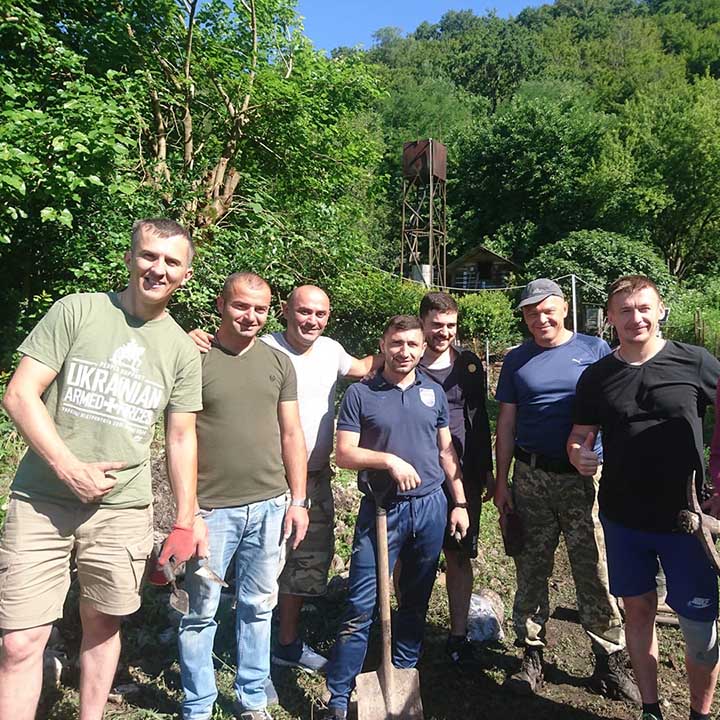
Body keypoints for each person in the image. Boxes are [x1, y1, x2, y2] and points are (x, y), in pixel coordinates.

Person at [0, 218, 206, 720]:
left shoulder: (181, 349)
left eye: (171, 262)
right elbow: (20, 395)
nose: (158, 269)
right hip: (43, 501)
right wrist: (68, 467)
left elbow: (180, 437)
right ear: (131, 257)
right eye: (149, 256)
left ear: (186, 273)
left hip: (122, 511)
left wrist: (186, 517)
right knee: (19, 641)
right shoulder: (79, 311)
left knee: (103, 624)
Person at [189, 285, 378, 674]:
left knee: (305, 566)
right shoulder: (263, 347)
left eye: (320, 314)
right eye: (304, 312)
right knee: (252, 569)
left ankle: (286, 645)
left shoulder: (331, 351)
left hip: (314, 478)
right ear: (286, 312)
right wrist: (186, 338)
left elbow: (365, 367)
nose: (311, 320)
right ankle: (234, 647)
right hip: (264, 482)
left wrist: (417, 343)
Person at [568, 275, 720, 720]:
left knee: (699, 628)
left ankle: (700, 712)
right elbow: (581, 435)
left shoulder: (695, 362)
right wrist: (579, 455)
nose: (636, 318)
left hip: (687, 520)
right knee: (638, 613)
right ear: (610, 318)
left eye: (644, 308)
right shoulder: (597, 377)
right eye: (626, 311)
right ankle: (650, 709)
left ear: (660, 310)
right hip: (623, 517)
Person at [494, 278, 638, 701]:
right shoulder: (516, 361)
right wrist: (502, 483)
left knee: (594, 567)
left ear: (564, 310)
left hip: (583, 481)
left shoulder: (594, 351)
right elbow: (505, 424)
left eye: (547, 309)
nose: (540, 318)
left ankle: (609, 659)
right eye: (530, 312)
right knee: (531, 567)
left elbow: (618, 409)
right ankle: (532, 652)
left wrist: (610, 460)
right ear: (523, 317)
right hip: (531, 477)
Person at [321, 314, 470, 720]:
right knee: (360, 604)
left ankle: (402, 675)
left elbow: (445, 451)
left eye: (412, 345)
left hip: (431, 508)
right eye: (396, 343)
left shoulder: (433, 392)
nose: (404, 352)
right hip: (383, 509)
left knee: (417, 597)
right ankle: (338, 694)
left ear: (423, 350)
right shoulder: (361, 394)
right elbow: (345, 453)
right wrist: (388, 460)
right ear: (383, 345)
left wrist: (458, 501)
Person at [178, 272, 309, 720]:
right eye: (240, 306)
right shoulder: (192, 357)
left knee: (258, 607)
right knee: (200, 611)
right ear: (220, 305)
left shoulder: (278, 364)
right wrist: (187, 510)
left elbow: (292, 435)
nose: (250, 316)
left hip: (271, 506)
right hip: (210, 511)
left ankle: (252, 698)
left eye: (259, 308)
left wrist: (298, 501)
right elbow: (178, 437)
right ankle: (197, 704)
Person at [416, 292, 494, 666]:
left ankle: (458, 633)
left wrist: (489, 471)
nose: (444, 332)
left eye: (451, 325)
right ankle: (410, 625)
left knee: (459, 554)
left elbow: (481, 419)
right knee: (410, 554)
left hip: (463, 476)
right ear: (423, 323)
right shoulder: (406, 358)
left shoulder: (468, 364)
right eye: (437, 325)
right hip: (416, 474)